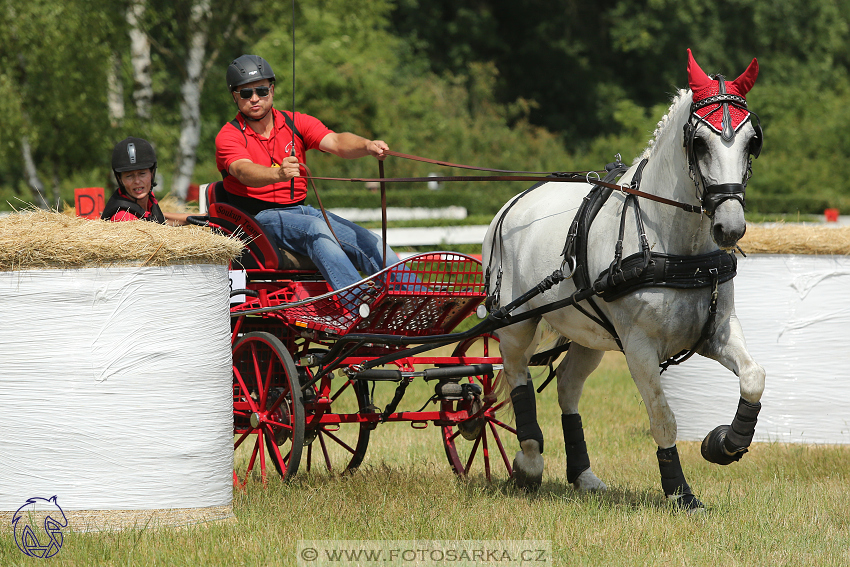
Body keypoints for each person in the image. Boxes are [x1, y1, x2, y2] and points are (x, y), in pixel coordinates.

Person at [214, 54, 402, 291]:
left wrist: (367, 146)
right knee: (317, 230)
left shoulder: (296, 123)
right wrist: (277, 175)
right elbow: (242, 170)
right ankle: (357, 303)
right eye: (245, 93)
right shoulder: (229, 135)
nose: (254, 99)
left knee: (369, 240)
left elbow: (336, 141)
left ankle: (417, 303)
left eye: (261, 91)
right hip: (257, 218)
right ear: (235, 96)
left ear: (271, 90)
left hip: (302, 211)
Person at [102, 137, 191, 226]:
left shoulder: (147, 198)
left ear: (152, 173)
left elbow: (157, 218)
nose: (137, 181)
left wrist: (198, 217)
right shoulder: (123, 218)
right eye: (129, 176)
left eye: (142, 174)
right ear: (120, 179)